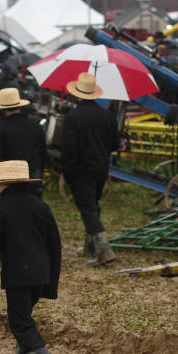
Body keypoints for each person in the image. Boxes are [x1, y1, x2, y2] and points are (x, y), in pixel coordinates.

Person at [0, 160, 61, 354]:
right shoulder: (41, 206)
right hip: (41, 274)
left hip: (18, 276)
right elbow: (55, 246)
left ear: (2, 184)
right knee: (24, 316)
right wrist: (51, 284)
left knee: (20, 323)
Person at [61, 72, 120, 266]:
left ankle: (104, 249)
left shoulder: (72, 117)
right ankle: (90, 246)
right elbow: (114, 145)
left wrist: (68, 174)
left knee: (87, 208)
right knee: (92, 205)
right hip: (101, 167)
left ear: (77, 94)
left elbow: (70, 149)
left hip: (81, 169)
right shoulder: (107, 116)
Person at [0, 88, 47, 197]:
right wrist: (39, 173)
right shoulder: (36, 126)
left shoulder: (0, 129)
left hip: (10, 179)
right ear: (19, 106)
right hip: (33, 176)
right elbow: (43, 154)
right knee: (34, 211)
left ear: (3, 109)